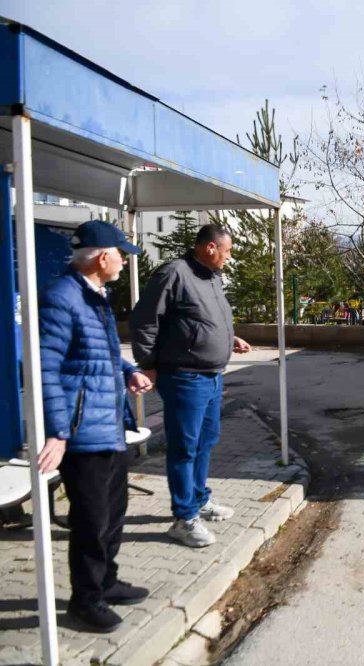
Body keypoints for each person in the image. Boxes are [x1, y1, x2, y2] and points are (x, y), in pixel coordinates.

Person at [36, 220, 154, 633]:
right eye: (121, 254)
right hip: (82, 430)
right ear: (103, 258)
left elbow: (97, 353)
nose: (124, 261)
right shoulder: (61, 298)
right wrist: (57, 431)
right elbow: (45, 369)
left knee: (114, 511)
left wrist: (126, 371)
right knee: (90, 520)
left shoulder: (95, 296)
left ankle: (107, 581)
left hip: (109, 424)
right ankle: (84, 601)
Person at [129, 224, 252, 549]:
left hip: (211, 376)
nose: (229, 257)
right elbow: (144, 321)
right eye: (227, 251)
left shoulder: (212, 277)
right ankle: (184, 519)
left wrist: (230, 338)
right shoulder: (175, 274)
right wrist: (149, 365)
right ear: (210, 248)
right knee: (184, 447)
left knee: (206, 441)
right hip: (184, 377)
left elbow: (203, 320)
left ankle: (199, 500)